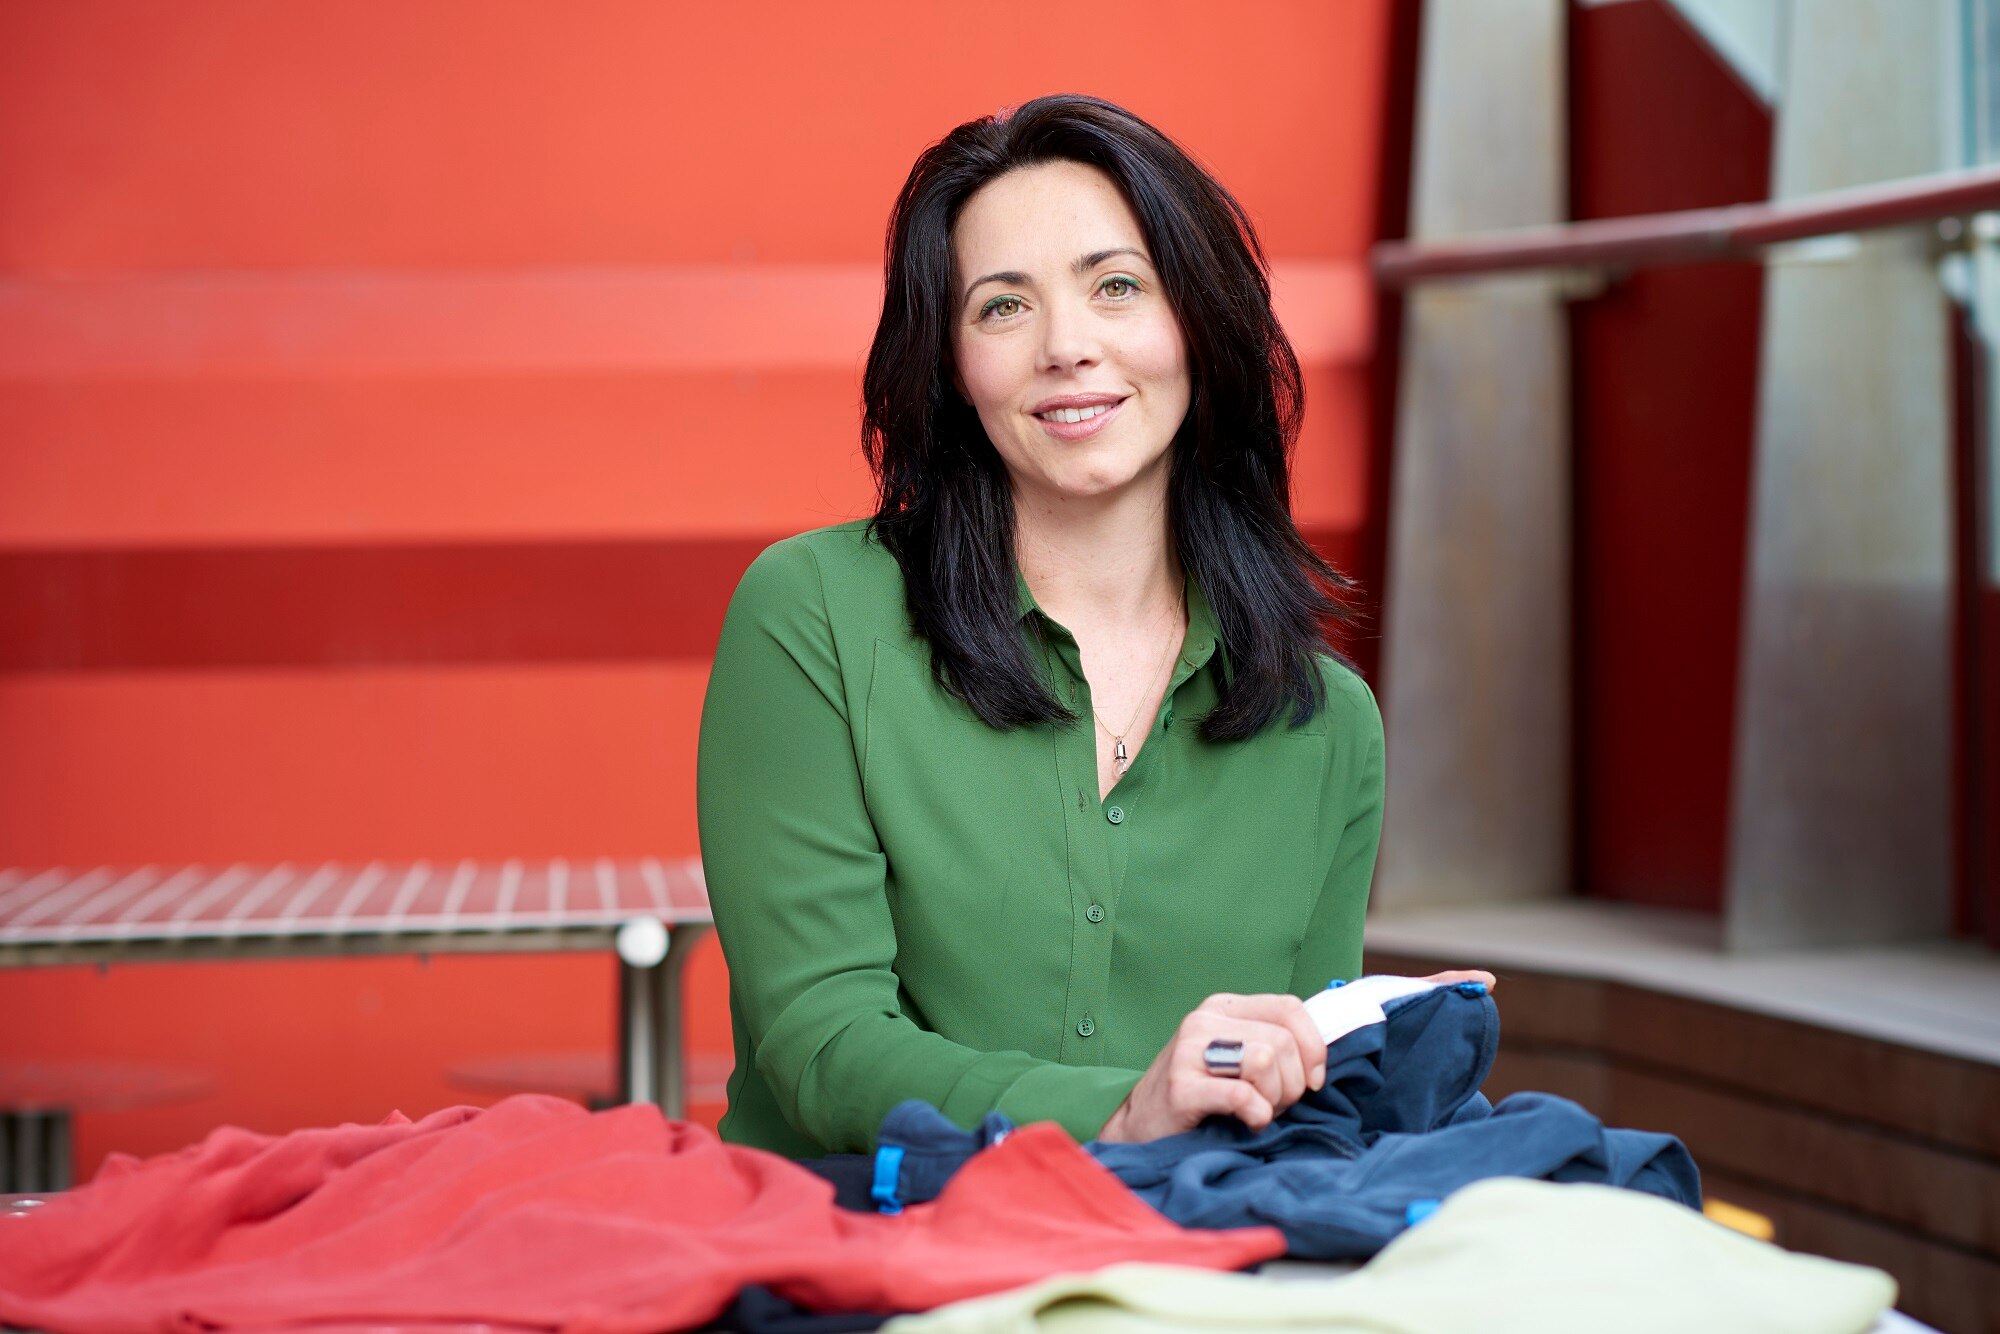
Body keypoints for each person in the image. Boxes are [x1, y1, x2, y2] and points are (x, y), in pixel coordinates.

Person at [697, 93, 1490, 1160]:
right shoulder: (814, 614)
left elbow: (1285, 1103)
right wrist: (1118, 1109)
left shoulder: (1326, 723)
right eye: (1001, 307)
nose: (1067, 347)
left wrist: (1358, 1044)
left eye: (1116, 287)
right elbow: (821, 1045)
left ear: (1198, 325)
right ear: (949, 366)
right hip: (861, 1267)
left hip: (1172, 1271)